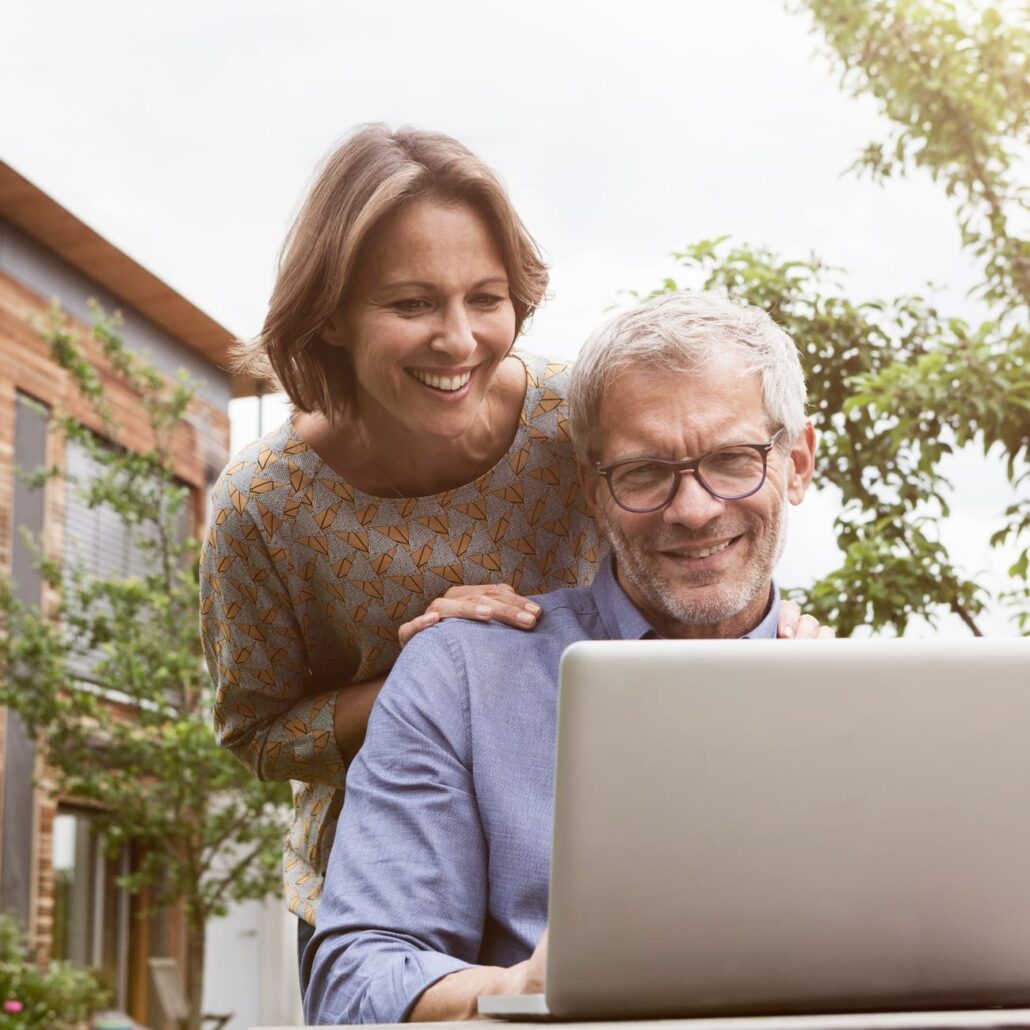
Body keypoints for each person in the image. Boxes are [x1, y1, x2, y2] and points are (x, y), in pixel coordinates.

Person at [200, 126, 821, 983]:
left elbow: (709, 522)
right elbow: (256, 733)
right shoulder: (262, 504)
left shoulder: (579, 415)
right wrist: (439, 684)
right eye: (411, 304)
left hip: (587, 808)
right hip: (378, 869)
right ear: (332, 312)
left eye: (485, 298)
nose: (457, 341)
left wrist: (777, 644)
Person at [303, 289, 829, 1025]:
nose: (695, 508)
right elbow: (353, 987)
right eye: (644, 472)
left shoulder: (867, 706)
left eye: (734, 460)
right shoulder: (461, 677)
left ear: (797, 462)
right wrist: (521, 992)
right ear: (592, 488)